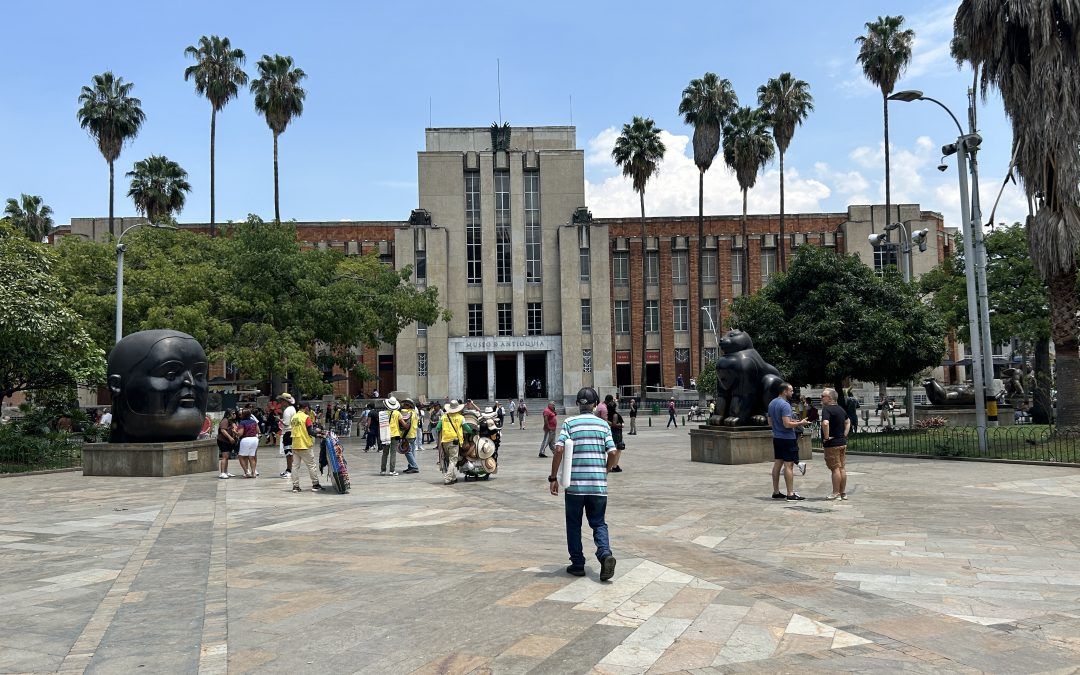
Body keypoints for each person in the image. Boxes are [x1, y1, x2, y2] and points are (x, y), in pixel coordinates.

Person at [547, 387, 618, 581]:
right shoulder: (603, 425)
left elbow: (559, 449)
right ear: (595, 404)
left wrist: (553, 477)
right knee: (598, 523)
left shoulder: (570, 423)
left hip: (575, 486)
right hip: (598, 486)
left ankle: (578, 564)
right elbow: (612, 453)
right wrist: (606, 469)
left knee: (573, 524)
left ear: (578, 404)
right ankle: (605, 554)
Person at [769, 383, 811, 501]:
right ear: (784, 391)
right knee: (789, 465)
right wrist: (800, 423)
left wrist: (790, 422)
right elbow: (787, 424)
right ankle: (790, 493)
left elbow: (770, 422)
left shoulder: (772, 403)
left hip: (777, 437)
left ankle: (776, 491)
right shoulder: (785, 405)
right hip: (787, 438)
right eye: (791, 391)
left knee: (777, 463)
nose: (792, 393)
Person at [819, 388, 850, 501]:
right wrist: (844, 434)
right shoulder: (840, 409)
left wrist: (826, 437)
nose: (821, 398)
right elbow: (847, 421)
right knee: (841, 467)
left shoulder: (827, 409)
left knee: (835, 469)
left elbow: (825, 423)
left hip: (832, 444)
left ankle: (835, 492)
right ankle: (843, 493)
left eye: (823, 396)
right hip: (841, 442)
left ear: (830, 398)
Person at [289, 402, 323, 492]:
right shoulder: (306, 417)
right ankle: (315, 484)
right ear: (306, 408)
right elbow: (310, 432)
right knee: (311, 465)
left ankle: (295, 486)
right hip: (304, 445)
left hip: (295, 445)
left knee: (295, 466)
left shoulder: (294, 417)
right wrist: (319, 434)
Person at [439, 400, 466, 485]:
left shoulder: (444, 417)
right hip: (454, 441)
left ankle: (453, 478)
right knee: (453, 460)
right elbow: (467, 427)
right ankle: (448, 478)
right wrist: (472, 432)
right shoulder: (461, 417)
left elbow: (438, 427)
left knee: (450, 459)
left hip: (445, 441)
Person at [398, 398, 421, 474]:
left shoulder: (405, 412)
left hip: (407, 434)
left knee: (407, 451)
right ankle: (411, 466)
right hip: (413, 434)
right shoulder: (414, 412)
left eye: (405, 405)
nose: (403, 406)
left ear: (409, 406)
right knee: (412, 451)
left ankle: (414, 466)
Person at [236, 408, 261, 478]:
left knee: (241, 456)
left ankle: (247, 472)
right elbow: (258, 431)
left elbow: (240, 433)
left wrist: (235, 432)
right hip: (254, 439)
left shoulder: (242, 422)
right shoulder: (254, 421)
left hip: (246, 440)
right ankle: (253, 473)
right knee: (252, 457)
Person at [382, 396, 402, 476]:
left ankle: (383, 470)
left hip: (385, 435)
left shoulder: (383, 413)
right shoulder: (397, 413)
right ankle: (392, 470)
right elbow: (403, 423)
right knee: (393, 453)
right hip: (395, 434)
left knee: (385, 453)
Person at [278, 393, 296, 478]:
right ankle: (289, 469)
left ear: (285, 401)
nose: (280, 402)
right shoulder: (293, 409)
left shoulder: (287, 410)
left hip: (287, 432)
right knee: (290, 453)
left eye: (281, 401)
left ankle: (289, 470)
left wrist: (279, 420)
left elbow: (286, 423)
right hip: (292, 432)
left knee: (288, 453)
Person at [216, 410, 237, 479]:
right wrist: (230, 438)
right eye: (233, 413)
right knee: (224, 456)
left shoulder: (231, 421)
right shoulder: (225, 420)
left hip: (228, 441)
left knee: (227, 456)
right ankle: (222, 473)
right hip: (223, 441)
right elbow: (223, 430)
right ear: (229, 414)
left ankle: (226, 472)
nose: (234, 415)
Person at [609, 403, 625, 473]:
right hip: (617, 434)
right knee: (618, 450)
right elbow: (614, 424)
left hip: (614, 433)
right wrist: (621, 425)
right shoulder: (615, 415)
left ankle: (612, 465)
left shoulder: (609, 414)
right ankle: (614, 466)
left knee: (613, 450)